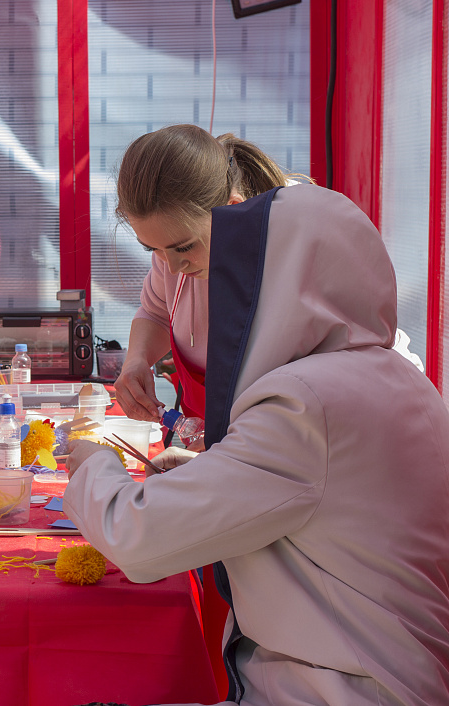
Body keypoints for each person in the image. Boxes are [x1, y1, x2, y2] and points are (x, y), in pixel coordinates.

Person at [63, 182, 449, 704]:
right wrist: (214, 468)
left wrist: (94, 465)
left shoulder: (306, 402)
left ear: (273, 285)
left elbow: (137, 537)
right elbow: (320, 497)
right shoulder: (400, 381)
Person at [110, 124, 295, 431]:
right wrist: (137, 361)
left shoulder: (287, 266)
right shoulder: (173, 254)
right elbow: (156, 312)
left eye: (184, 247)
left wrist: (224, 452)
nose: (171, 267)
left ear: (233, 212)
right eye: (152, 249)